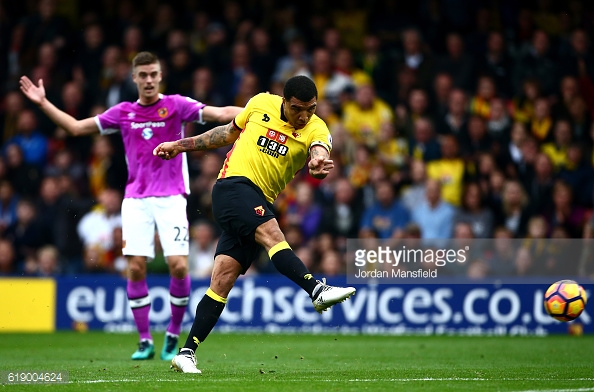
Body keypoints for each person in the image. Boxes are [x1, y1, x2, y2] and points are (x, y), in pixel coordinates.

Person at [19, 51, 243, 361]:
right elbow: (75, 127)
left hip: (171, 196)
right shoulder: (123, 112)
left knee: (178, 266)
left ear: (160, 76)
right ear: (134, 78)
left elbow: (220, 114)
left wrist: (255, 114)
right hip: (136, 199)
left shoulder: (176, 105)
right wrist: (43, 102)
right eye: (143, 75)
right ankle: (144, 340)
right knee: (135, 267)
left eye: (154, 74)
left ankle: (173, 335)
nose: (149, 80)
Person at [153, 75, 357, 374]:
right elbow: (225, 133)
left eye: (311, 108)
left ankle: (186, 352)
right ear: (284, 102)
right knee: (272, 233)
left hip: (259, 200)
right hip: (232, 187)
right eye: (298, 108)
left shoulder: (317, 127)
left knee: (222, 278)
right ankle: (316, 290)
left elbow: (319, 151)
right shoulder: (260, 103)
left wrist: (317, 163)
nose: (304, 115)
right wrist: (180, 145)